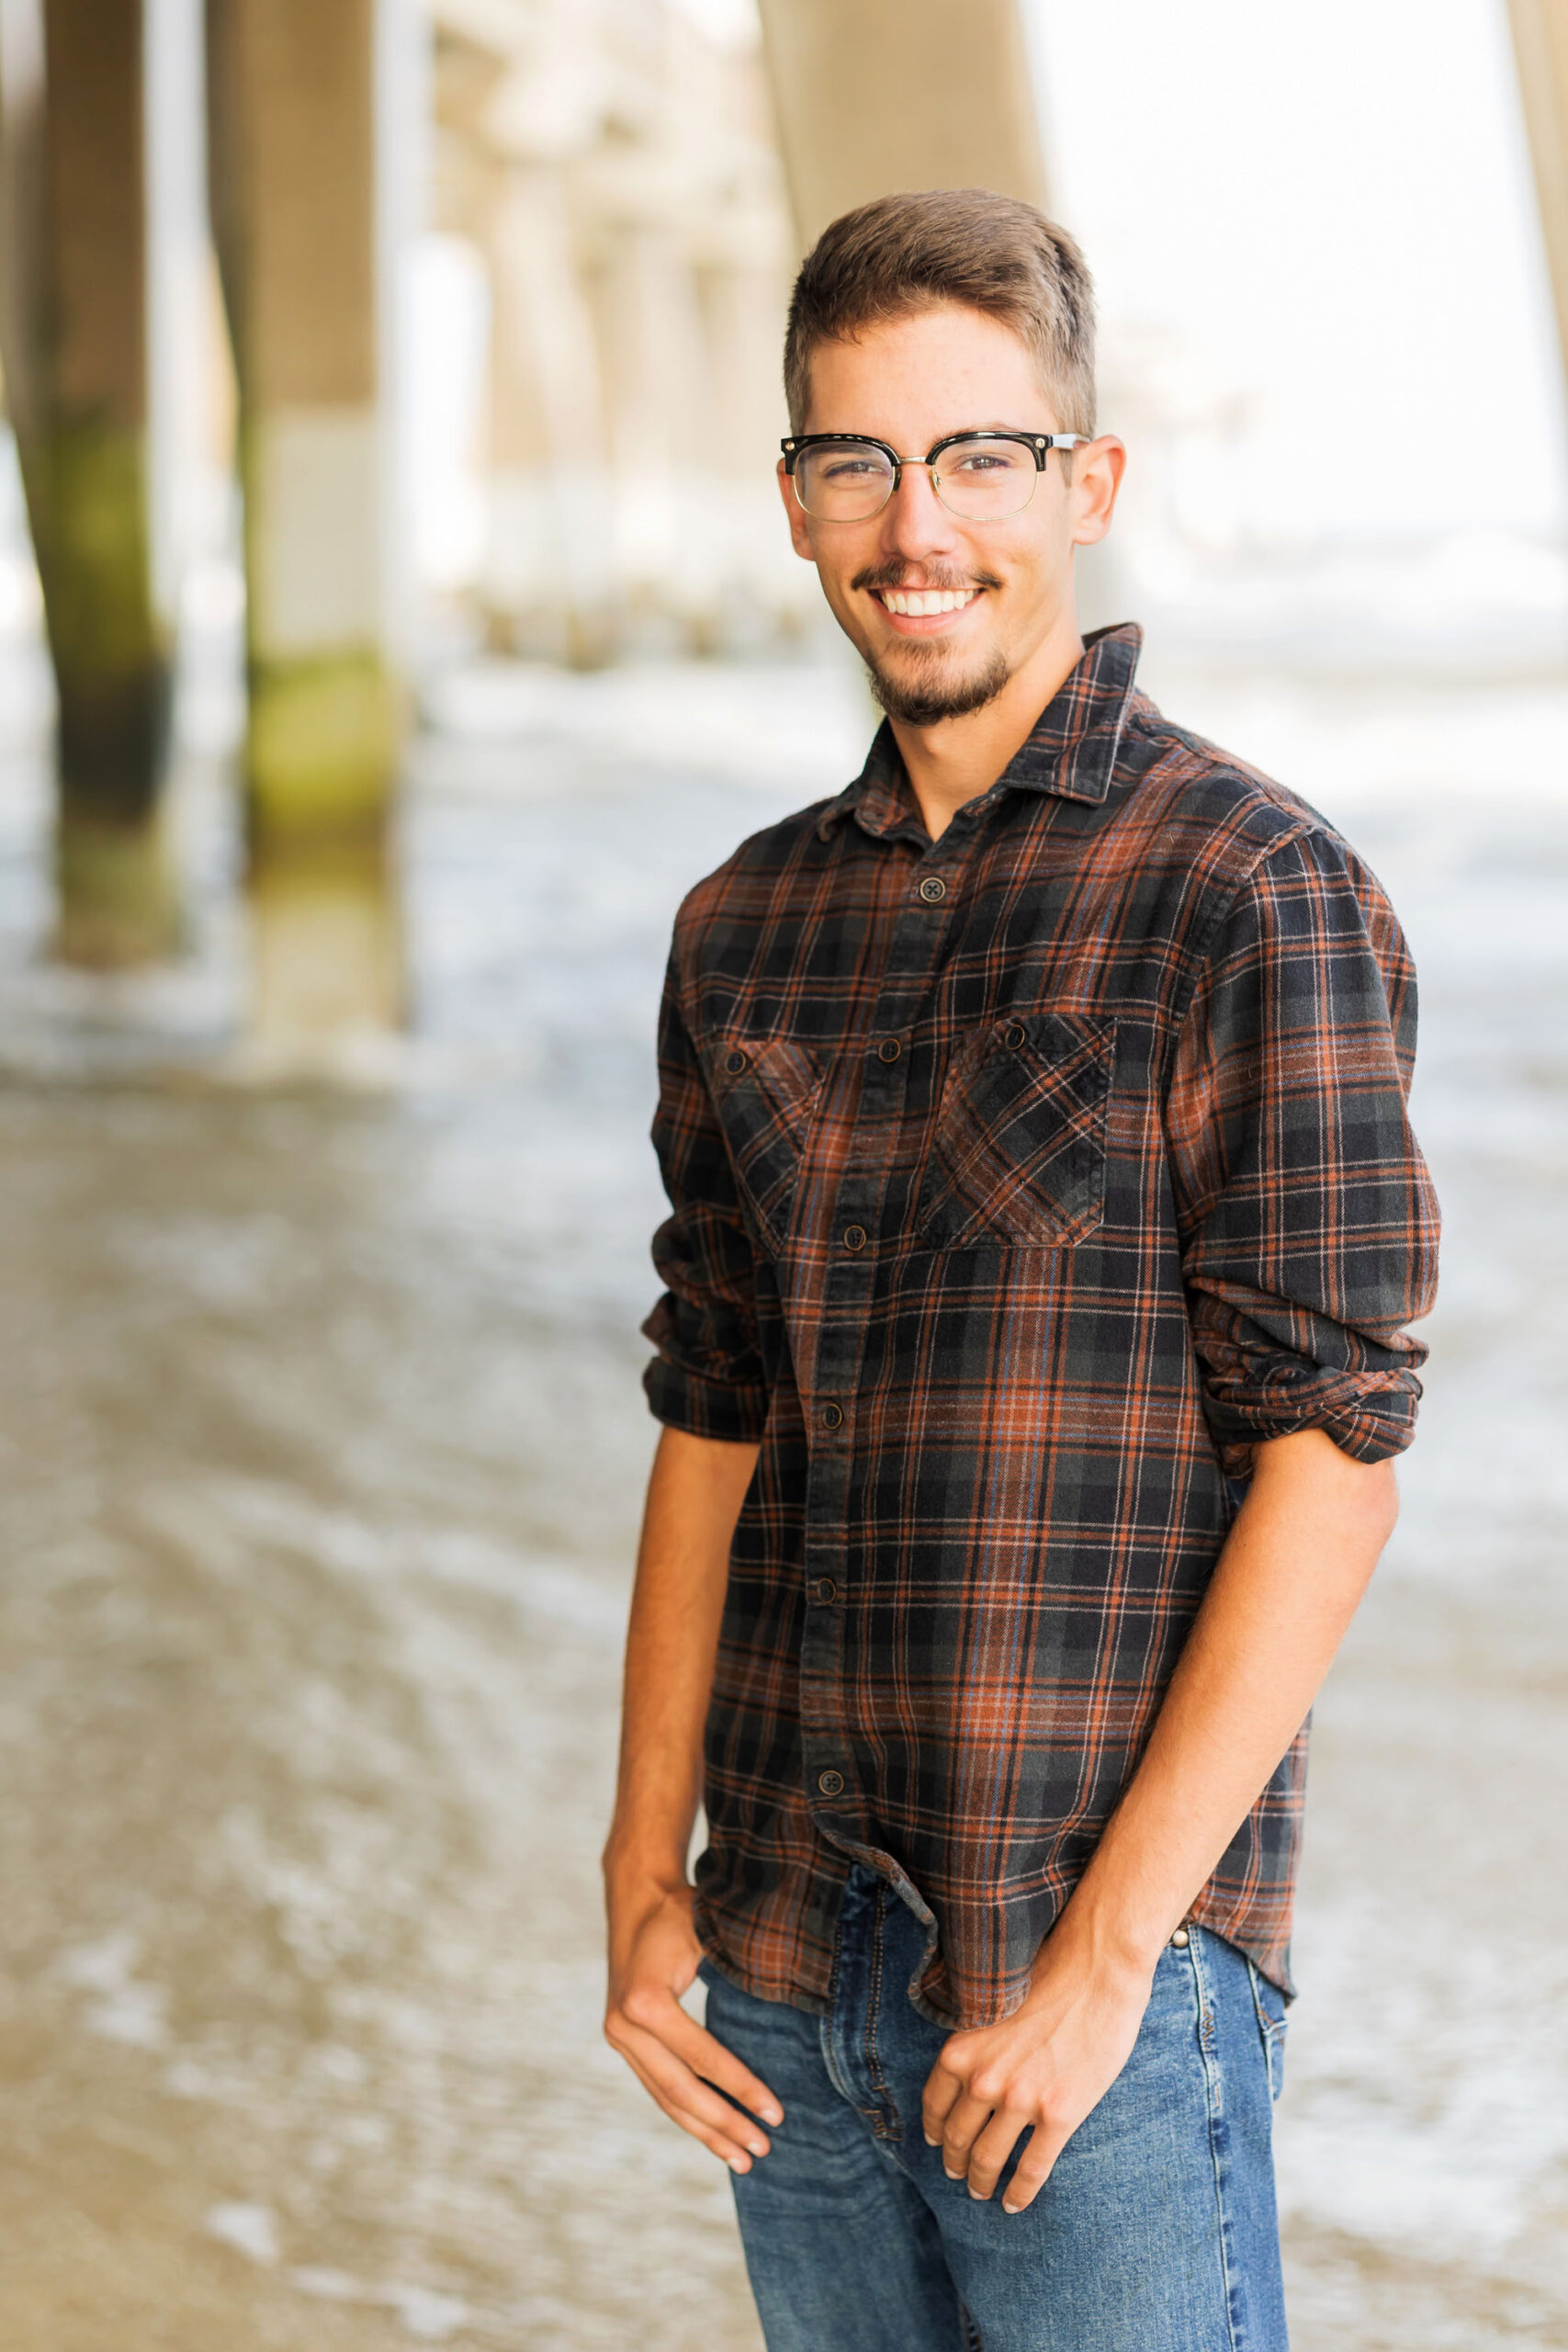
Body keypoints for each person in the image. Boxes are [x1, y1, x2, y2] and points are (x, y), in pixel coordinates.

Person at [602, 187, 1438, 2352]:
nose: (917, 527)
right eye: (855, 463)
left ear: (1084, 485)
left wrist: (1094, 1972)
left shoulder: (1246, 886)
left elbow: (1330, 1454)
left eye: (978, 455)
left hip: (1089, 1975)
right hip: (780, 1963)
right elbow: (711, 1403)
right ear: (792, 504)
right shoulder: (739, 924)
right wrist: (636, 1872)